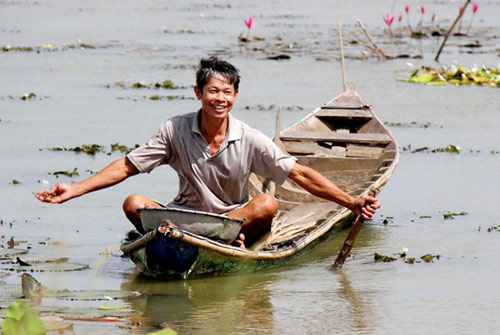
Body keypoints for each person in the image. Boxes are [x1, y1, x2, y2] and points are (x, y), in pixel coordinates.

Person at [36, 56, 380, 248]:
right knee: (133, 202)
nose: (220, 98)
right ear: (198, 92)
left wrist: (350, 202)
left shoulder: (249, 138)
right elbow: (127, 166)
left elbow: (300, 174)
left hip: (232, 219)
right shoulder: (174, 130)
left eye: (227, 92)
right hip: (183, 217)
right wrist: (73, 190)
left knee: (268, 204)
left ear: (235, 97)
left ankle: (231, 239)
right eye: (213, 91)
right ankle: (197, 240)